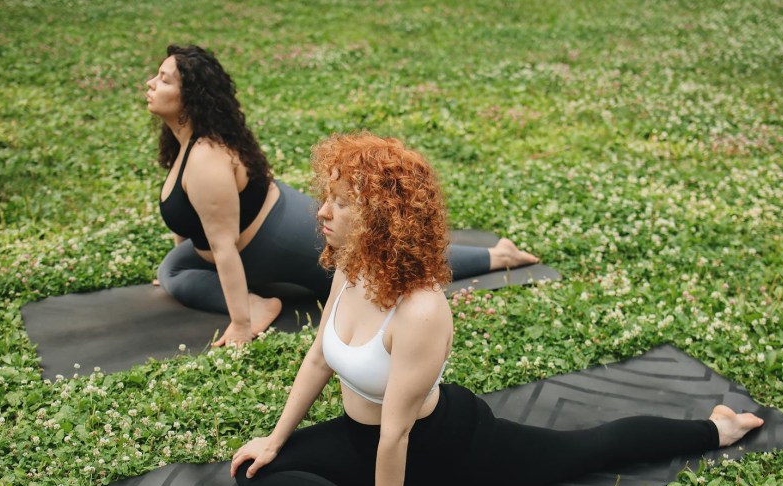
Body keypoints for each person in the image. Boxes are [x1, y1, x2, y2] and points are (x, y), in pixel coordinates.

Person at [229, 133, 765, 486]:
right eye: (328, 198)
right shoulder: (351, 269)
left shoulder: (420, 310)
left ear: (383, 218)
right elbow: (318, 359)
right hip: (360, 434)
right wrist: (276, 440)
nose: (322, 212)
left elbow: (397, 435)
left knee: (585, 451)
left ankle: (714, 429)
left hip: (445, 442)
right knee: (257, 472)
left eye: (342, 203)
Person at [146, 44, 539, 347]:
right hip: (256, 236)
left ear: (190, 98)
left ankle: (497, 256)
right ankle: (253, 300)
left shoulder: (206, 159)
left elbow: (224, 245)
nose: (150, 83)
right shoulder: (183, 141)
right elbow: (191, 218)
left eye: (164, 80)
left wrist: (240, 325)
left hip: (279, 239)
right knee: (172, 271)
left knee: (385, 262)